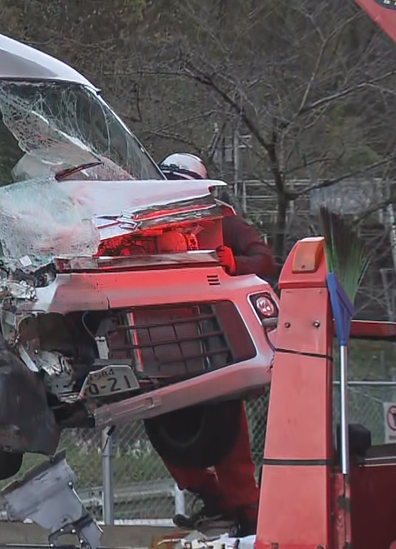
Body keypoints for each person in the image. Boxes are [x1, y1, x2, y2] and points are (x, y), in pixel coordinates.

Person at [156, 152, 279, 536]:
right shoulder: (146, 219)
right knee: (162, 426)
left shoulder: (222, 220)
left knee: (228, 432)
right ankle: (212, 501)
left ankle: (248, 513)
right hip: (164, 346)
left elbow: (264, 259)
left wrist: (233, 262)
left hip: (213, 344)